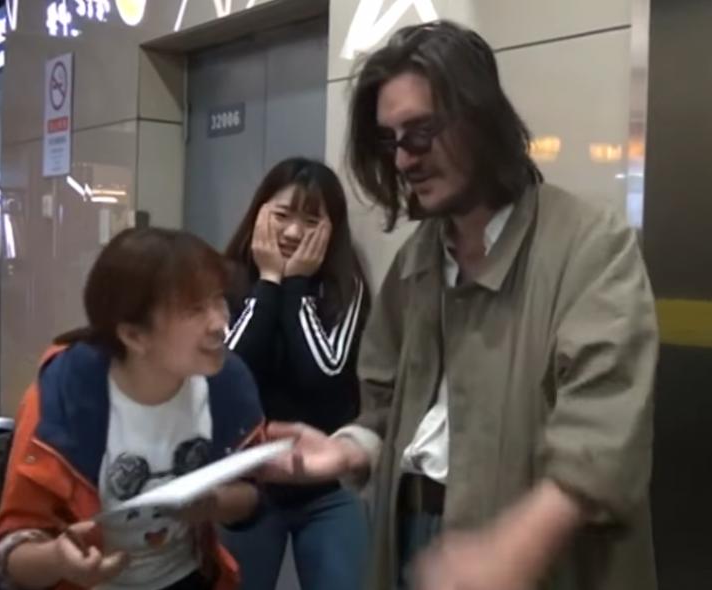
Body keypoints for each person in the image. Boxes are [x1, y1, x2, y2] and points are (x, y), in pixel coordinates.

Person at [260, 20, 660, 590]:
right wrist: (347, 451)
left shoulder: (589, 245)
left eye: (421, 132)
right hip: (413, 536)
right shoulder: (417, 260)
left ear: (481, 120)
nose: (404, 160)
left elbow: (604, 427)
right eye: (391, 141)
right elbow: (384, 400)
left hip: (536, 552)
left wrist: (517, 544)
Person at [0, 228, 267, 590]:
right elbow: (10, 553)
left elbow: (252, 494)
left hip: (188, 577)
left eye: (218, 300)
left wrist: (214, 502)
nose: (219, 323)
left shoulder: (226, 380)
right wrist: (59, 560)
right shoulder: (65, 393)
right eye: (195, 310)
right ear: (134, 335)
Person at [222, 157, 370, 590]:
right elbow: (228, 370)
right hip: (245, 483)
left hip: (325, 484)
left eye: (310, 221)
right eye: (282, 215)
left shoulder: (345, 285)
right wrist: (268, 281)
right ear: (259, 213)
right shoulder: (225, 279)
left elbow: (323, 375)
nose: (292, 233)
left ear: (332, 229)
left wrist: (296, 287)